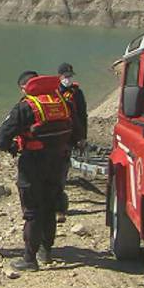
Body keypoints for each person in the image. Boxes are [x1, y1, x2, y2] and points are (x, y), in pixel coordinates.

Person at [0, 71, 81, 271]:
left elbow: (1, 139)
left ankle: (29, 258)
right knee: (50, 206)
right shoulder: (62, 102)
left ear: (26, 87)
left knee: (32, 210)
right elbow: (76, 132)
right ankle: (46, 251)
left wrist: (13, 147)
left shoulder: (26, 106)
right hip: (58, 162)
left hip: (33, 163)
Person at [56, 63, 87, 223]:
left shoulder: (76, 93)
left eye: (70, 76)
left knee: (61, 174)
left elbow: (82, 116)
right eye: (65, 76)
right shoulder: (53, 92)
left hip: (68, 138)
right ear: (59, 76)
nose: (68, 79)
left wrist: (82, 138)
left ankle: (59, 209)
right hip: (53, 138)